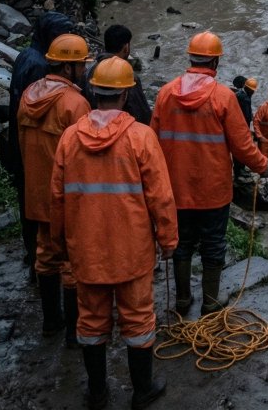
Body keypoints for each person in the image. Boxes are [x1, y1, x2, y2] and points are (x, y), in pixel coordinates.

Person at [51, 57, 178, 410]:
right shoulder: (141, 137)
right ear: (125, 95)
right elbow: (161, 197)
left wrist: (59, 243)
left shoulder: (69, 139)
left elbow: (57, 198)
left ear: (93, 92)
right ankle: (142, 391)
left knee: (91, 320)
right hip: (132, 251)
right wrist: (168, 241)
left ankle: (97, 393)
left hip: (86, 251)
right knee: (138, 320)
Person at [151, 31, 268, 316]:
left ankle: (182, 300)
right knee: (213, 245)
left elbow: (151, 143)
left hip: (176, 188)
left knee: (181, 244)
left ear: (190, 59)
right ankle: (211, 302)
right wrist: (263, 166)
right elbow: (242, 146)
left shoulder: (166, 94)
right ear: (215, 62)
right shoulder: (223, 97)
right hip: (213, 191)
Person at [17, 33, 91, 341]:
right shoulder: (75, 104)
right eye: (82, 66)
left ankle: (51, 322)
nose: (85, 71)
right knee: (71, 262)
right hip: (68, 198)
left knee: (45, 255)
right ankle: (75, 332)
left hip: (36, 194)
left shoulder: (28, 95)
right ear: (70, 68)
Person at [4, 11, 74, 277]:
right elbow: (44, 113)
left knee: (28, 204)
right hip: (36, 147)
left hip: (20, 142)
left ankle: (34, 257)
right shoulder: (40, 66)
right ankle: (43, 263)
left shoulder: (25, 55)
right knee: (42, 208)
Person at [87, 24, 152, 125]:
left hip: (91, 128)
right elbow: (142, 115)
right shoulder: (128, 76)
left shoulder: (90, 70)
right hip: (121, 131)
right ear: (126, 47)